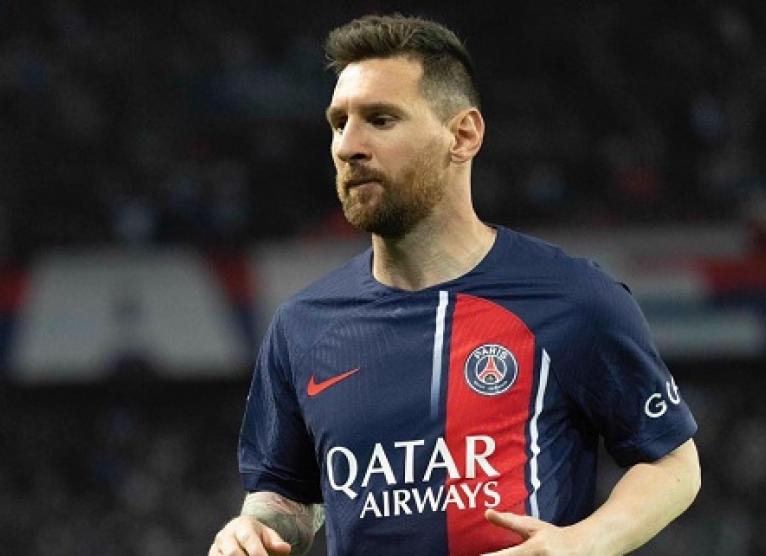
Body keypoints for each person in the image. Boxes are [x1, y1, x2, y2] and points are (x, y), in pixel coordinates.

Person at [209, 13, 700, 556]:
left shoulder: (573, 299)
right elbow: (285, 494)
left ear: (463, 135)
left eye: (381, 119)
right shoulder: (302, 326)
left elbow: (672, 461)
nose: (349, 146)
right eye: (339, 123)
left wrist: (580, 544)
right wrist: (251, 530)